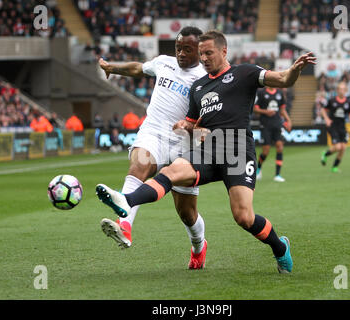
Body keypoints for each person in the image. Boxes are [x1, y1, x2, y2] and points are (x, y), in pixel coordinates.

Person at [96, 30, 316, 273]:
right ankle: (126, 201)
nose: (204, 58)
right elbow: (191, 122)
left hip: (237, 149)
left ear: (224, 51)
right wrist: (184, 125)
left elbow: (284, 79)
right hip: (208, 148)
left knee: (243, 217)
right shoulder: (199, 86)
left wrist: (295, 69)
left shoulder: (245, 73)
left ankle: (280, 247)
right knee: (172, 171)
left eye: (208, 53)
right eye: (202, 54)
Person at [96, 27, 209, 269]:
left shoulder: (205, 79)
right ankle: (124, 226)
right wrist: (112, 68)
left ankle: (199, 246)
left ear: (200, 51)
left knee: (187, 214)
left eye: (187, 50)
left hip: (184, 142)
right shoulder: (164, 63)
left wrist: (198, 132)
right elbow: (139, 68)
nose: (180, 54)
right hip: (153, 131)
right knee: (140, 165)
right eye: (178, 48)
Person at [253, 86, 292, 182]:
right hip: (265, 125)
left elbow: (282, 110)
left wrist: (288, 120)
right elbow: (255, 109)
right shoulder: (261, 92)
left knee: (280, 146)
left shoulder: (279, 93)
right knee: (265, 151)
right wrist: (266, 112)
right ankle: (258, 169)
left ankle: (277, 175)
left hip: (277, 124)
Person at [320, 82, 350, 173]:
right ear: (337, 90)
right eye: (340, 89)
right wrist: (327, 119)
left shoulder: (348, 102)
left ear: (346, 90)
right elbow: (323, 110)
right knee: (338, 147)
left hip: (342, 127)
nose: (342, 91)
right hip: (333, 126)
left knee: (343, 148)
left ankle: (334, 167)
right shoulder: (332, 101)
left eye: (343, 89)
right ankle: (325, 154)